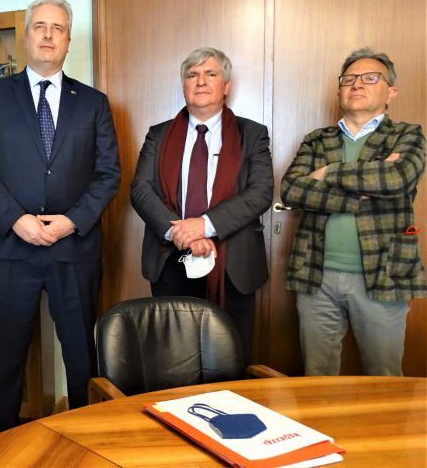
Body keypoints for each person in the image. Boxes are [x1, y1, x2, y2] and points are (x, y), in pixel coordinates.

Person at [0, 0, 120, 432]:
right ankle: (2, 441)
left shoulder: (93, 103)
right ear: (26, 36)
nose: (49, 35)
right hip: (8, 248)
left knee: (81, 357)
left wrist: (72, 221)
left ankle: (89, 438)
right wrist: (16, 219)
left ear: (68, 40)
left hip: (74, 249)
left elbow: (108, 174)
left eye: (58, 28)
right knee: (7, 357)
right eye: (40, 27)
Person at [281, 48, 425, 376]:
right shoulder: (317, 140)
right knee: (317, 376)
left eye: (370, 78)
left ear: (391, 92)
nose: (356, 84)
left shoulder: (407, 135)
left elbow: (396, 178)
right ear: (339, 90)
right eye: (348, 79)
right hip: (316, 274)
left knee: (385, 377)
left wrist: (328, 172)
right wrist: (360, 191)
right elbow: (292, 189)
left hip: (384, 273)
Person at [131, 47, 273, 364]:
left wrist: (204, 226)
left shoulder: (252, 134)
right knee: (173, 358)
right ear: (184, 85)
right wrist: (179, 233)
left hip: (234, 265)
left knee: (231, 357)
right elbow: (140, 190)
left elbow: (260, 192)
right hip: (171, 260)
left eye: (211, 74)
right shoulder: (158, 135)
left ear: (226, 86)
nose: (201, 81)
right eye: (192, 75)